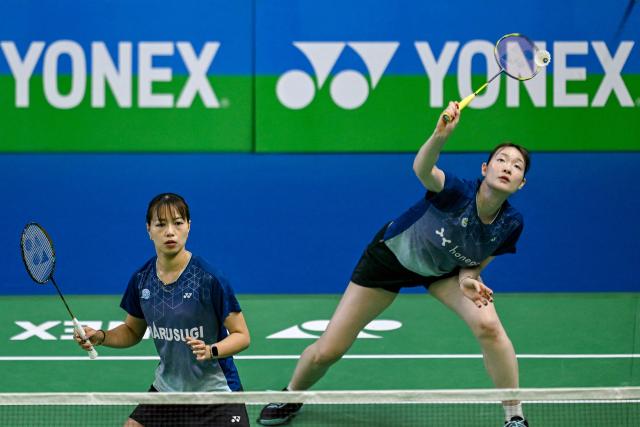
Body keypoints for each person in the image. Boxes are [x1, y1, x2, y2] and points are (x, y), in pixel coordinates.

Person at [258, 102, 530, 427]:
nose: (507, 166)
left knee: (489, 326)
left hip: (444, 271)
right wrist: (439, 136)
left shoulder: (511, 223)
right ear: (485, 168)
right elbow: (423, 170)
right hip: (391, 258)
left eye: (516, 165)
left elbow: (476, 261)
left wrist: (469, 279)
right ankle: (292, 394)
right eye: (501, 159)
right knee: (329, 350)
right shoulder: (456, 191)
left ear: (521, 183)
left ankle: (514, 416)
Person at [75, 193, 251, 427]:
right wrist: (101, 336)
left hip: (217, 394)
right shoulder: (141, 280)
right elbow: (132, 330)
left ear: (188, 226)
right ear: (149, 229)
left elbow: (242, 336)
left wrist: (211, 350)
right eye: (161, 224)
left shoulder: (209, 279)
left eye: (178, 223)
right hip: (168, 392)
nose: (170, 231)